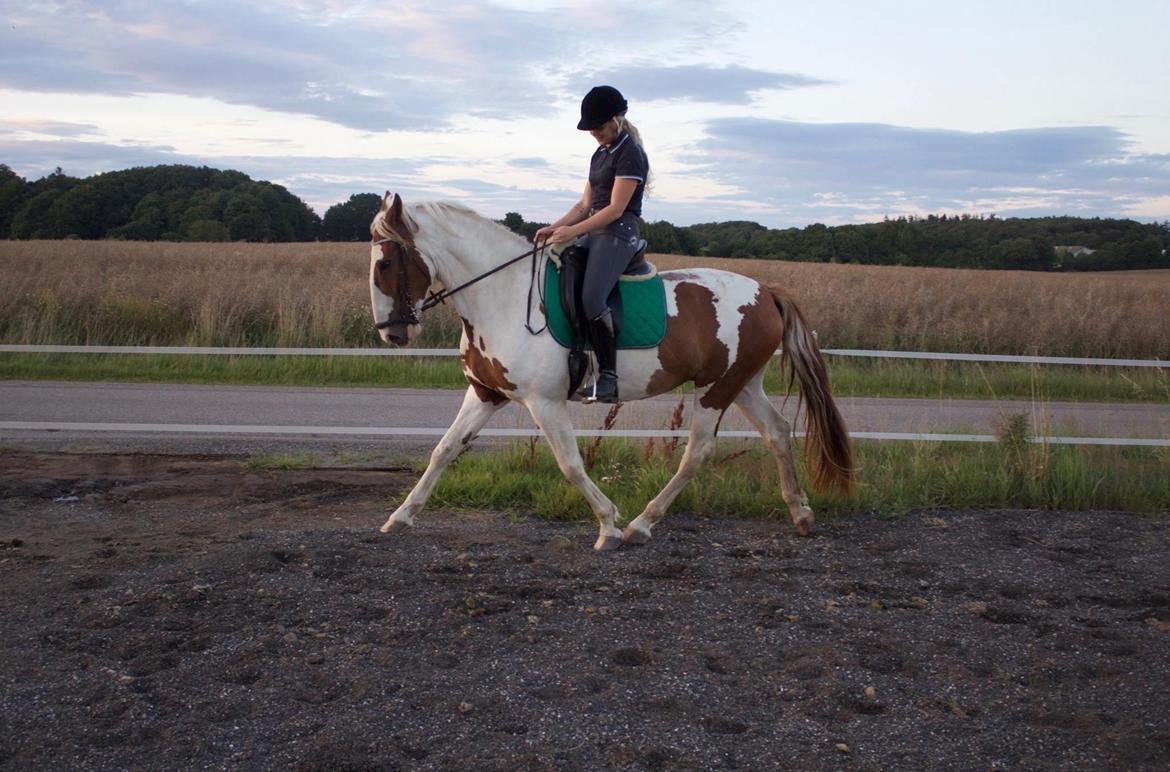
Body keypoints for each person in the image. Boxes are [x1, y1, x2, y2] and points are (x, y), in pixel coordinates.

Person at [535, 85, 650, 404]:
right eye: (591, 129)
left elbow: (614, 209)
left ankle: (609, 378)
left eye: (599, 127)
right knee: (563, 272)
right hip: (595, 229)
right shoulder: (600, 154)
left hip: (618, 231)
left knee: (592, 295)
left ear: (617, 119)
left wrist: (573, 232)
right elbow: (584, 205)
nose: (594, 133)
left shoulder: (630, 153)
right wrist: (555, 227)